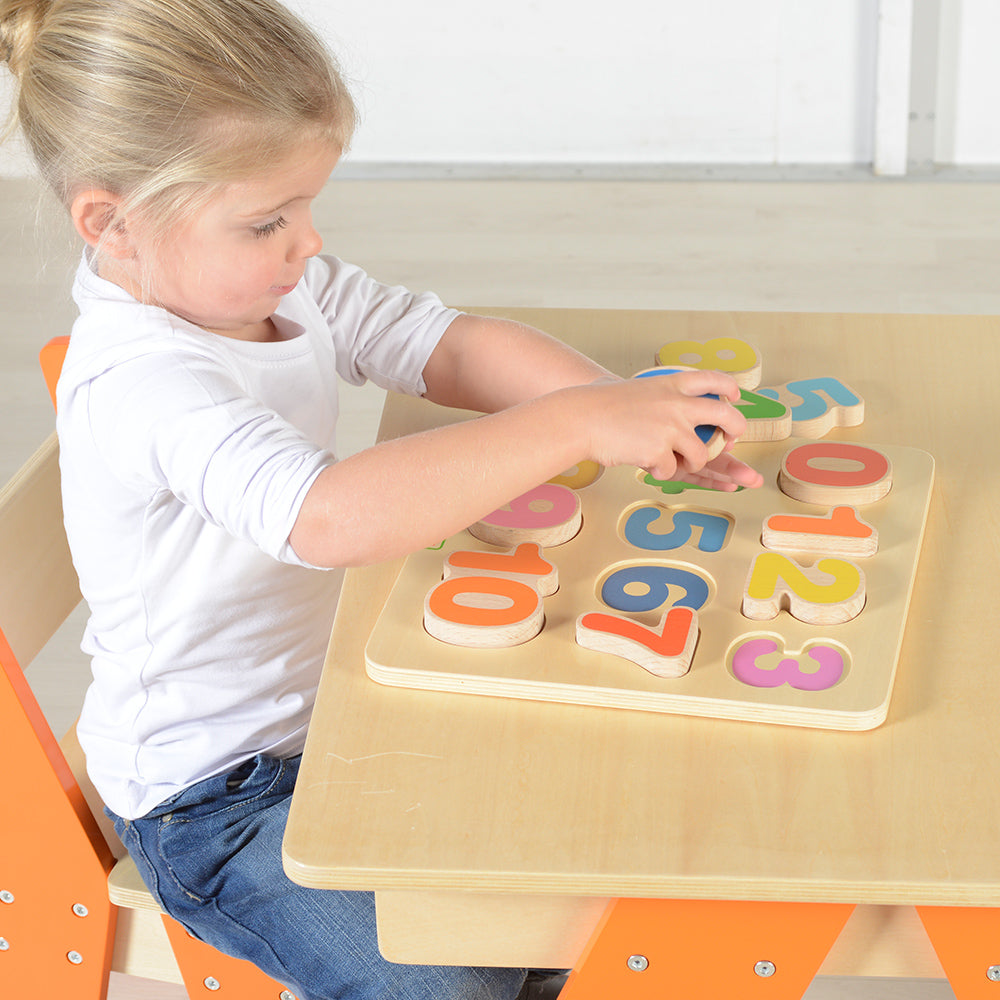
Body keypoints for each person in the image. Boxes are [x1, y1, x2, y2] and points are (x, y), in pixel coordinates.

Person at [0, 1, 763, 997]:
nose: (307, 241)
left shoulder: (272, 288)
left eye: (309, 205)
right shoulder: (143, 379)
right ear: (113, 224)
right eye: (268, 219)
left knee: (585, 862)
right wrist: (572, 428)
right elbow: (327, 516)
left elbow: (442, 344)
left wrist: (612, 408)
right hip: (216, 803)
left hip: (347, 712)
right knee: (456, 980)